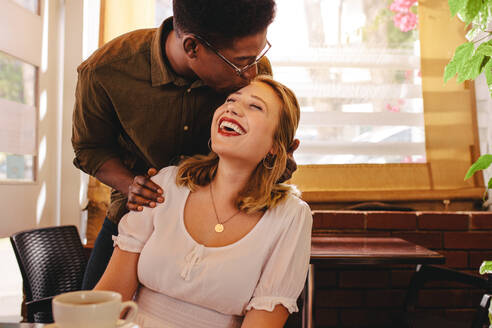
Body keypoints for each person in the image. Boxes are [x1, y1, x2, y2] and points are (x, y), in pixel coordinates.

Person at [72, 0, 299, 289]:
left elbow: (261, 139)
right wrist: (131, 184)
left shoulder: (250, 65)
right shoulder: (105, 71)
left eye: (257, 56)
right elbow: (89, 149)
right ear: (192, 47)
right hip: (137, 217)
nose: (253, 74)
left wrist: (273, 161)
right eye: (241, 63)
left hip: (222, 221)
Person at [95, 75, 312, 327]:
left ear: (276, 144)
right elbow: (110, 299)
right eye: (231, 99)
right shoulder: (167, 183)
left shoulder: (290, 216)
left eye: (255, 106)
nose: (232, 107)